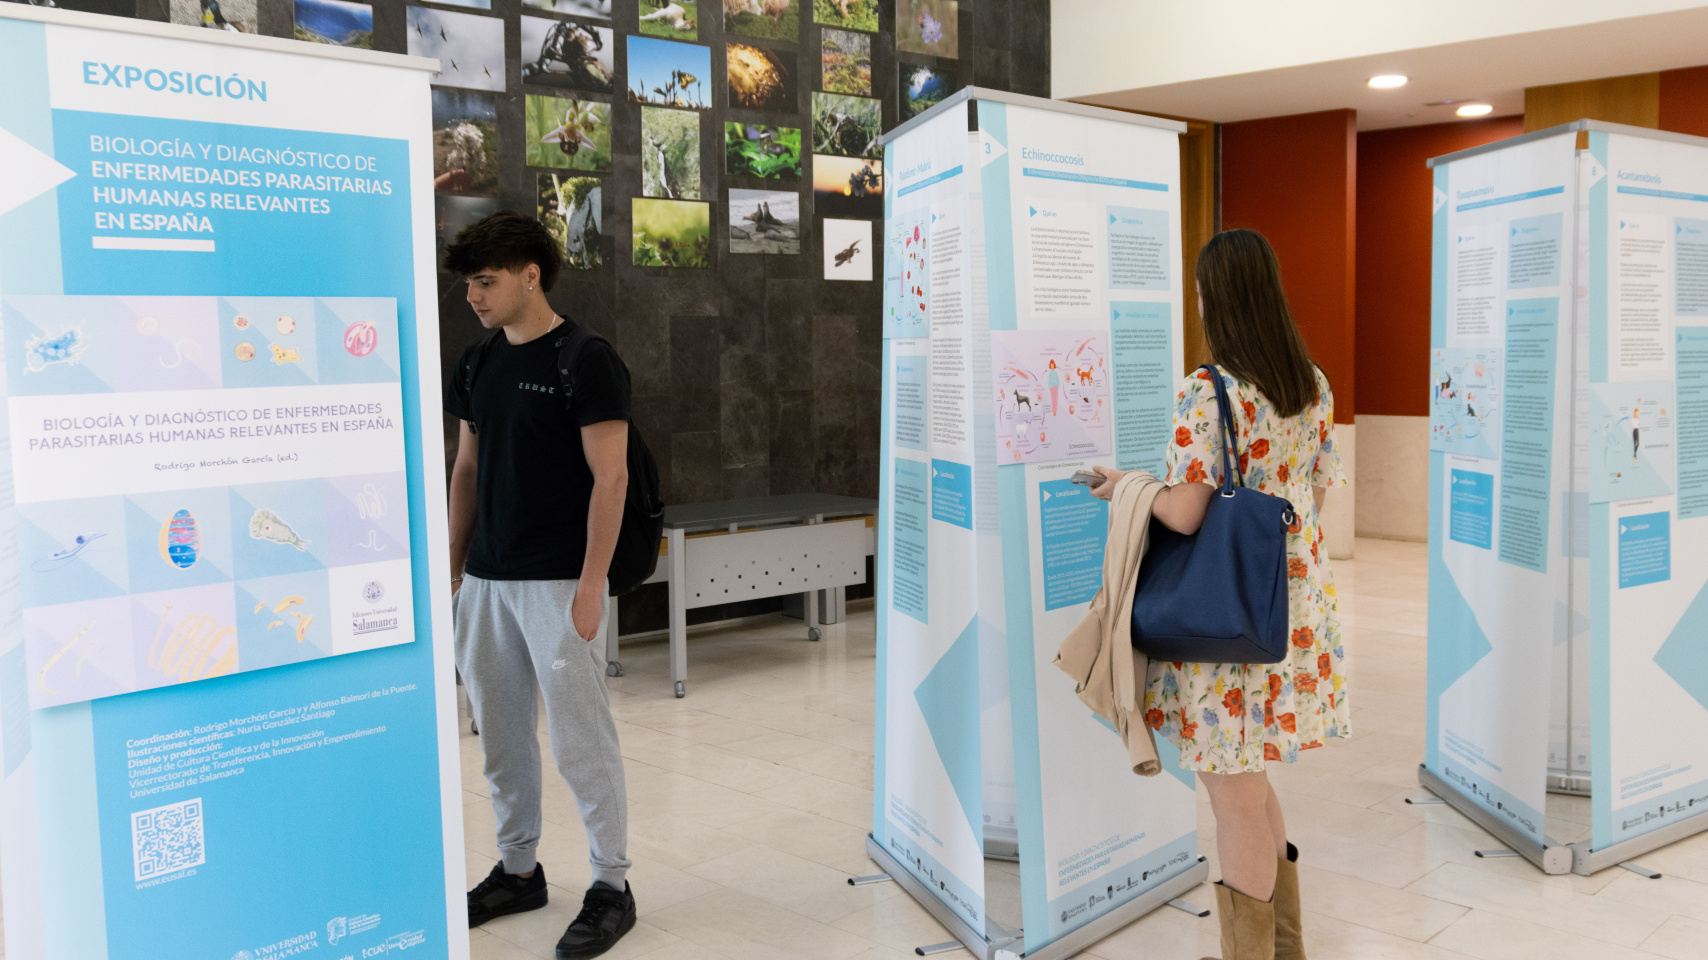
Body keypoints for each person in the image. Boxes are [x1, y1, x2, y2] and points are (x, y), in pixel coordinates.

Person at [1089, 229, 1348, 960]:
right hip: (1291, 609)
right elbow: (1316, 496)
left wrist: (1127, 488)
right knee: (1251, 780)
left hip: (1226, 625)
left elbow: (1187, 512)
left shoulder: (1210, 392)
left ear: (1214, 297)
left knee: (1231, 795)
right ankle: (1282, 950)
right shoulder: (1314, 383)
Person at [443, 212, 637, 959]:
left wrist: (591, 585)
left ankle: (611, 885)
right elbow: (466, 470)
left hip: (559, 584)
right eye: (467, 285)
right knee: (500, 739)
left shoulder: (586, 359)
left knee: (583, 745)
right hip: (486, 584)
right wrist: (455, 568)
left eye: (485, 282)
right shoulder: (478, 361)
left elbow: (610, 478)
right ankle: (519, 869)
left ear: (532, 274)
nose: (474, 297)